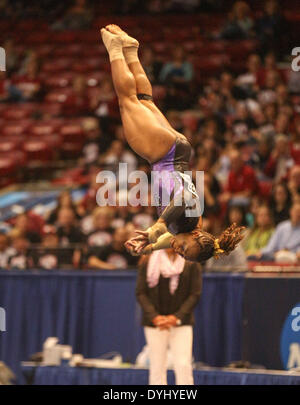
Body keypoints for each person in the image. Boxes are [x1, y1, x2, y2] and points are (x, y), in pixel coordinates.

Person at [100, 24, 245, 262]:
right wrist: (157, 225)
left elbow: (173, 236)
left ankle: (130, 51)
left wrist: (149, 247)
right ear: (197, 238)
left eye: (182, 255)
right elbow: (184, 199)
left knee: (144, 99)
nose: (178, 251)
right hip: (163, 157)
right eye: (185, 250)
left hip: (177, 151)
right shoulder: (188, 217)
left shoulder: (189, 226)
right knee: (127, 101)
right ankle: (115, 50)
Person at [136, 249, 202, 385]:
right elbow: (141, 293)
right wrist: (154, 317)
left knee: (183, 365)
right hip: (155, 323)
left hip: (181, 323)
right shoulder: (147, 261)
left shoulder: (191, 262)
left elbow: (195, 294)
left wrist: (176, 317)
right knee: (156, 366)